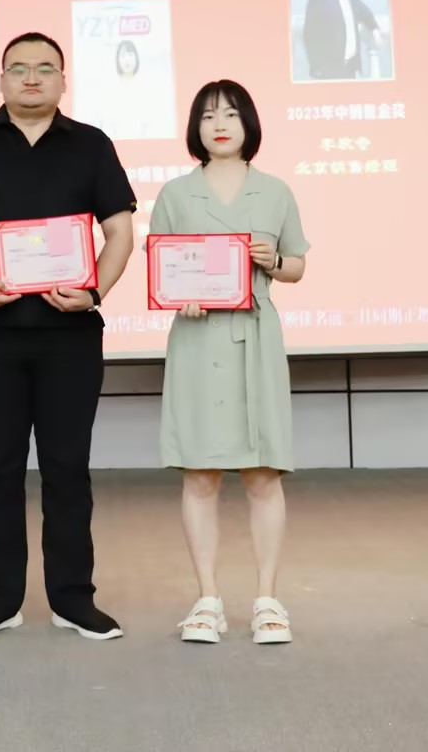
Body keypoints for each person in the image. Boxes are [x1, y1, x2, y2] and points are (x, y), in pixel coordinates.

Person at [0, 31, 137, 643]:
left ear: (63, 79)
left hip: (71, 334)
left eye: (45, 68)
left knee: (68, 468)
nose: (32, 78)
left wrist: (95, 291)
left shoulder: (90, 144)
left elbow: (121, 232)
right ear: (2, 79)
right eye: (19, 68)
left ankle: (73, 598)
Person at [150, 79, 309, 646]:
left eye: (232, 114)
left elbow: (296, 267)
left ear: (249, 125)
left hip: (255, 338)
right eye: (209, 115)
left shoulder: (275, 191)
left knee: (263, 473)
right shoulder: (175, 193)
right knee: (200, 473)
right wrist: (181, 294)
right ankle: (207, 600)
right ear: (195, 127)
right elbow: (162, 270)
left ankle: (268, 600)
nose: (220, 125)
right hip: (197, 340)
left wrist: (275, 260)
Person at [300, 0, 381, 80]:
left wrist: (374, 29)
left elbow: (364, 11)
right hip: (329, 68)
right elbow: (309, 32)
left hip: (350, 66)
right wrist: (316, 66)